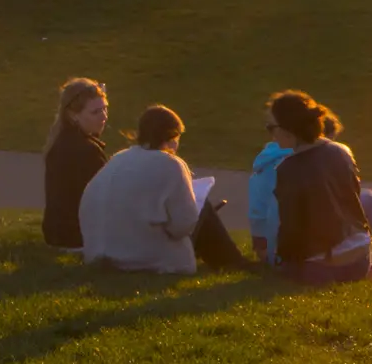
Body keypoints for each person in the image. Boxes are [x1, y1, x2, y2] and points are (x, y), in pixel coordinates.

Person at [78, 105, 249, 273]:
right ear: (173, 137)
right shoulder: (170, 164)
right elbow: (183, 226)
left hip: (102, 253)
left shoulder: (118, 159)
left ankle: (230, 261)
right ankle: (232, 262)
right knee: (202, 206)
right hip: (144, 259)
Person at [247, 105, 372, 266]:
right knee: (362, 201)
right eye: (329, 141)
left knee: (357, 203)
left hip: (268, 245)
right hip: (285, 252)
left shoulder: (270, 156)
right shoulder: (297, 161)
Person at [268, 92, 372, 283]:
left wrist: (281, 260)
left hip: (323, 268)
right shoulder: (342, 151)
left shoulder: (288, 169)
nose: (271, 135)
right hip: (360, 260)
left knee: (282, 266)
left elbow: (291, 230)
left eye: (271, 128)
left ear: (287, 131)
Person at [43, 77, 110, 249]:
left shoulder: (60, 141)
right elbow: (105, 200)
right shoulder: (87, 150)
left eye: (105, 108)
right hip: (77, 237)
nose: (104, 116)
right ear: (73, 115)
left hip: (56, 234)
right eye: (95, 112)